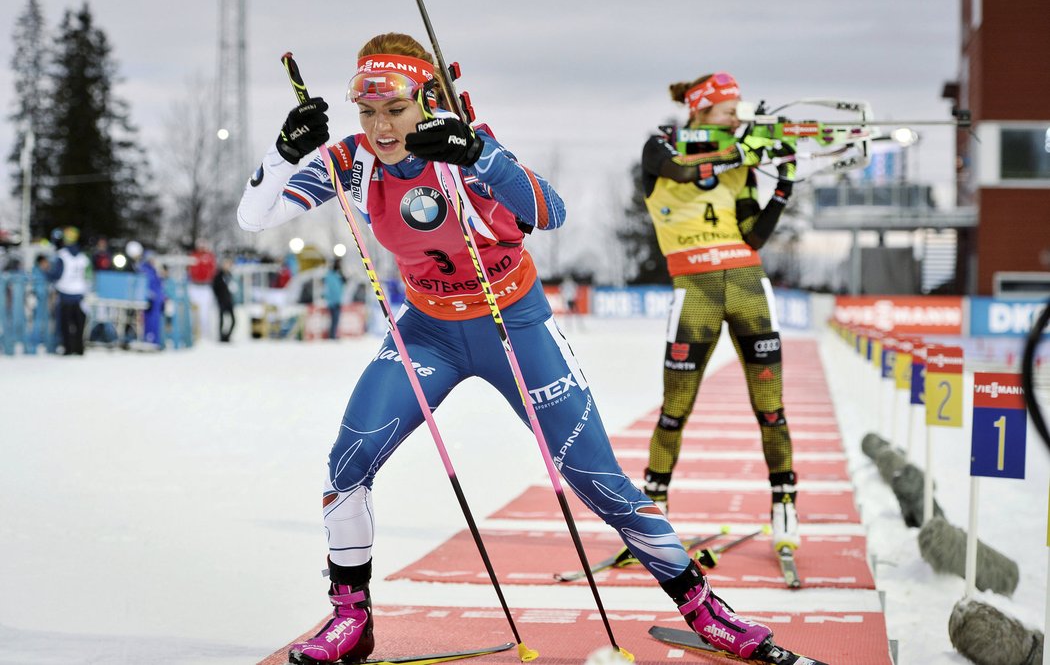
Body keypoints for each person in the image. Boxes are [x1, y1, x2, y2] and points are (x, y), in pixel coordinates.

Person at [238, 33, 779, 665]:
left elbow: (550, 211)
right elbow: (256, 217)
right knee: (346, 466)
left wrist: (481, 157)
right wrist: (281, 157)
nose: (381, 126)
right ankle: (350, 619)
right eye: (368, 111)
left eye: (395, 108)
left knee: (597, 479)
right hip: (429, 331)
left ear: (428, 99)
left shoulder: (462, 140)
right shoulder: (355, 162)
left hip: (512, 325)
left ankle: (706, 612)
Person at [637, 71, 800, 555]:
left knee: (771, 408)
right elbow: (683, 172)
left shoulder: (739, 165)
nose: (738, 116)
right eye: (729, 109)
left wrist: (783, 189)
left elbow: (752, 235)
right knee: (674, 410)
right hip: (695, 288)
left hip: (748, 285)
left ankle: (785, 506)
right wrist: (743, 150)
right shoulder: (661, 145)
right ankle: (653, 511)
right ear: (700, 111)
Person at [46, 226, 90, 355]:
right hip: (79, 294)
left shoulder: (62, 255)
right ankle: (79, 348)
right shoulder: (83, 256)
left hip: (65, 294)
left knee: (65, 324)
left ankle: (68, 348)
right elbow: (88, 275)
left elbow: (56, 275)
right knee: (79, 324)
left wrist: (46, 273)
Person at [187, 239, 217, 340]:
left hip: (205, 287)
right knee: (192, 311)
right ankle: (193, 333)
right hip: (194, 286)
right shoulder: (193, 256)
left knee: (205, 312)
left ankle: (205, 335)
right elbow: (189, 269)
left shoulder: (209, 256)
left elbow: (213, 270)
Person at [140, 250, 166, 348]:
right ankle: (148, 339)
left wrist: (163, 298)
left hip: (157, 302)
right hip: (150, 301)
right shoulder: (144, 270)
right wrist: (148, 296)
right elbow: (144, 285)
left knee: (156, 322)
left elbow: (160, 285)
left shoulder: (155, 270)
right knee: (148, 321)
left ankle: (155, 341)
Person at [212, 257, 235, 343]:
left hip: (229, 300)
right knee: (221, 319)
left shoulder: (230, 275)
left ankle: (227, 336)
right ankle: (221, 337)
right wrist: (218, 297)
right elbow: (215, 288)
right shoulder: (218, 276)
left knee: (233, 320)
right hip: (221, 300)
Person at [323, 258, 346, 340]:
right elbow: (331, 289)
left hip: (336, 300)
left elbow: (344, 282)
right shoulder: (331, 276)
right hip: (333, 301)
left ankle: (333, 334)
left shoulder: (337, 275)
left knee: (335, 319)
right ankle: (332, 335)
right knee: (334, 319)